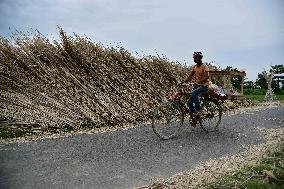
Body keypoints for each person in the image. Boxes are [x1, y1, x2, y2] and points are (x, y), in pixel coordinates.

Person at [183, 52, 210, 117]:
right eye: (194, 58)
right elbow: (190, 76)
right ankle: (195, 115)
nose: (194, 59)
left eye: (195, 58)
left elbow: (206, 77)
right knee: (189, 103)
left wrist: (198, 82)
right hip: (198, 86)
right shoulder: (195, 67)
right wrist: (184, 82)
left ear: (199, 58)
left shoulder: (204, 66)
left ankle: (198, 110)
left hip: (205, 86)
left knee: (194, 93)